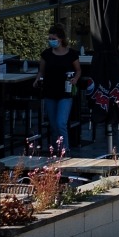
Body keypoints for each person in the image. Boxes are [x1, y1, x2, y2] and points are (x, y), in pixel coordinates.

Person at [34, 24, 80, 154]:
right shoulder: (46, 54)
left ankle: (65, 149)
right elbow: (41, 71)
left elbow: (78, 70)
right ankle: (55, 149)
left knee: (61, 123)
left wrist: (75, 79)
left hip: (65, 93)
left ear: (61, 39)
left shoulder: (71, 54)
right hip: (50, 92)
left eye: (53, 38)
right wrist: (37, 79)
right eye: (49, 38)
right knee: (53, 125)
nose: (51, 41)